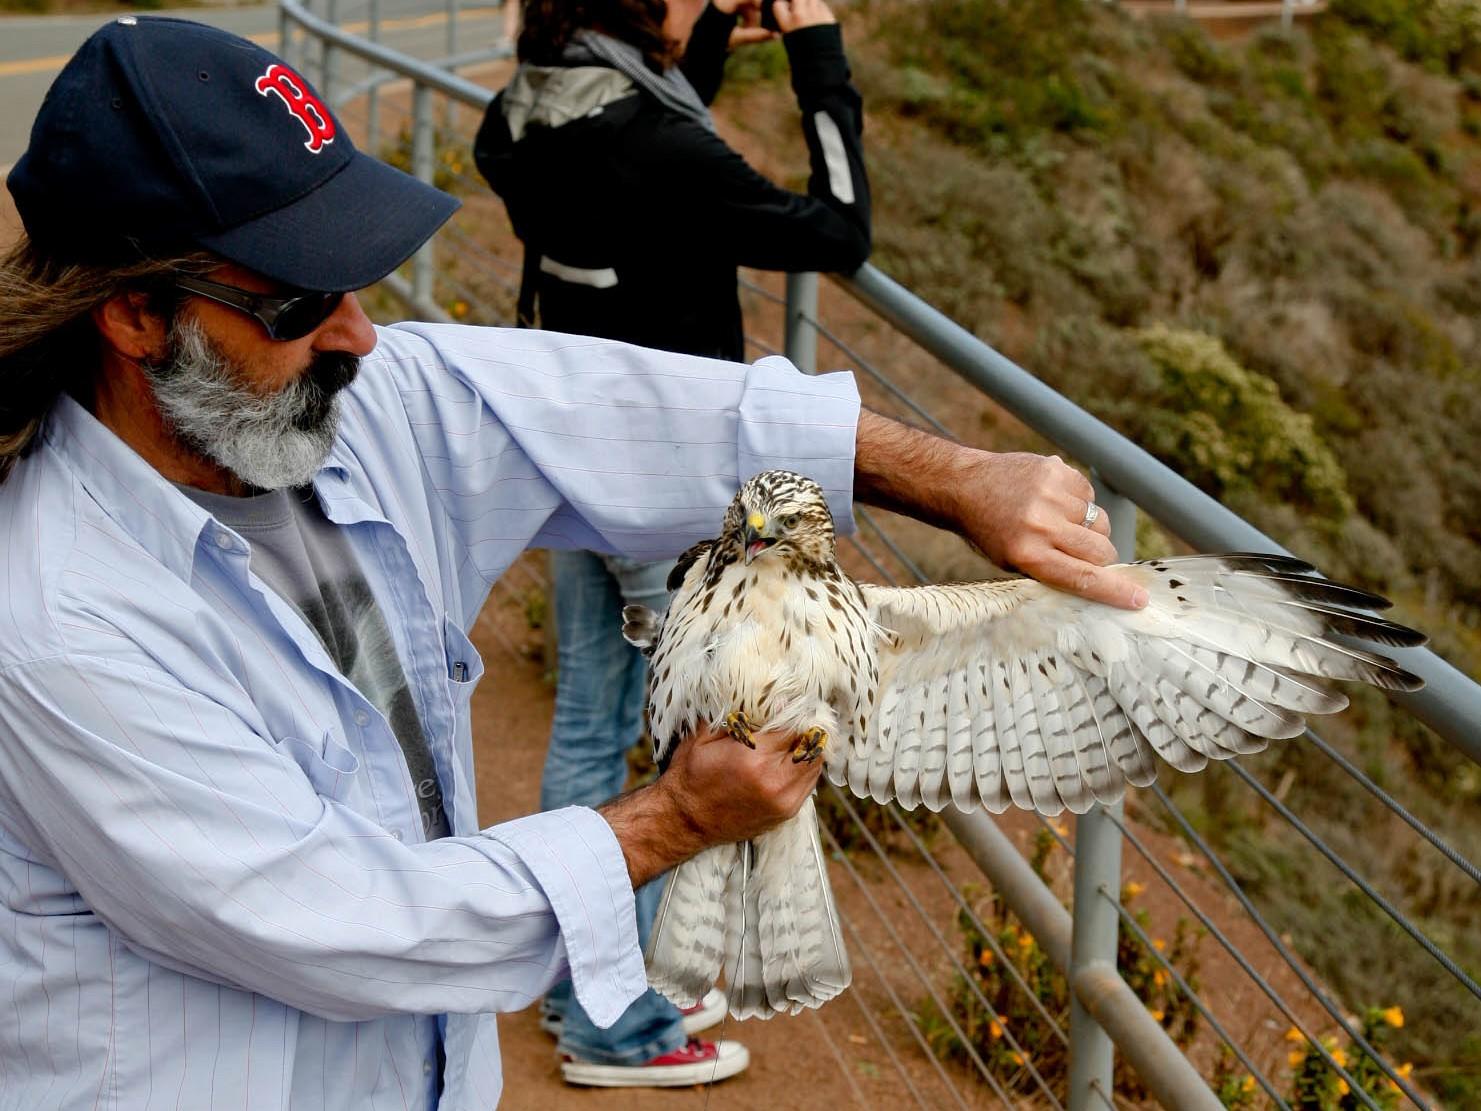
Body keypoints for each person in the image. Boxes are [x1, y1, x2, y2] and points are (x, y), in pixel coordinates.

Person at [0, 16, 1142, 1111]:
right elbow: (338, 919)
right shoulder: (59, 614)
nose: (357, 332)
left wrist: (949, 480)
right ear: (136, 317)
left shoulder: (356, 401)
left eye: (356, 279)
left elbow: (626, 410)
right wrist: (671, 821)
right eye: (298, 298)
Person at [471, 0, 871, 1084]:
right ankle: (621, 1026)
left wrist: (694, 53)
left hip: (570, 470)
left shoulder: (517, 118)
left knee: (590, 735)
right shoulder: (652, 146)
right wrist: (815, 50)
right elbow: (837, 229)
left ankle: (578, 989)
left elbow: (644, 143)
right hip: (667, 491)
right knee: (677, 757)